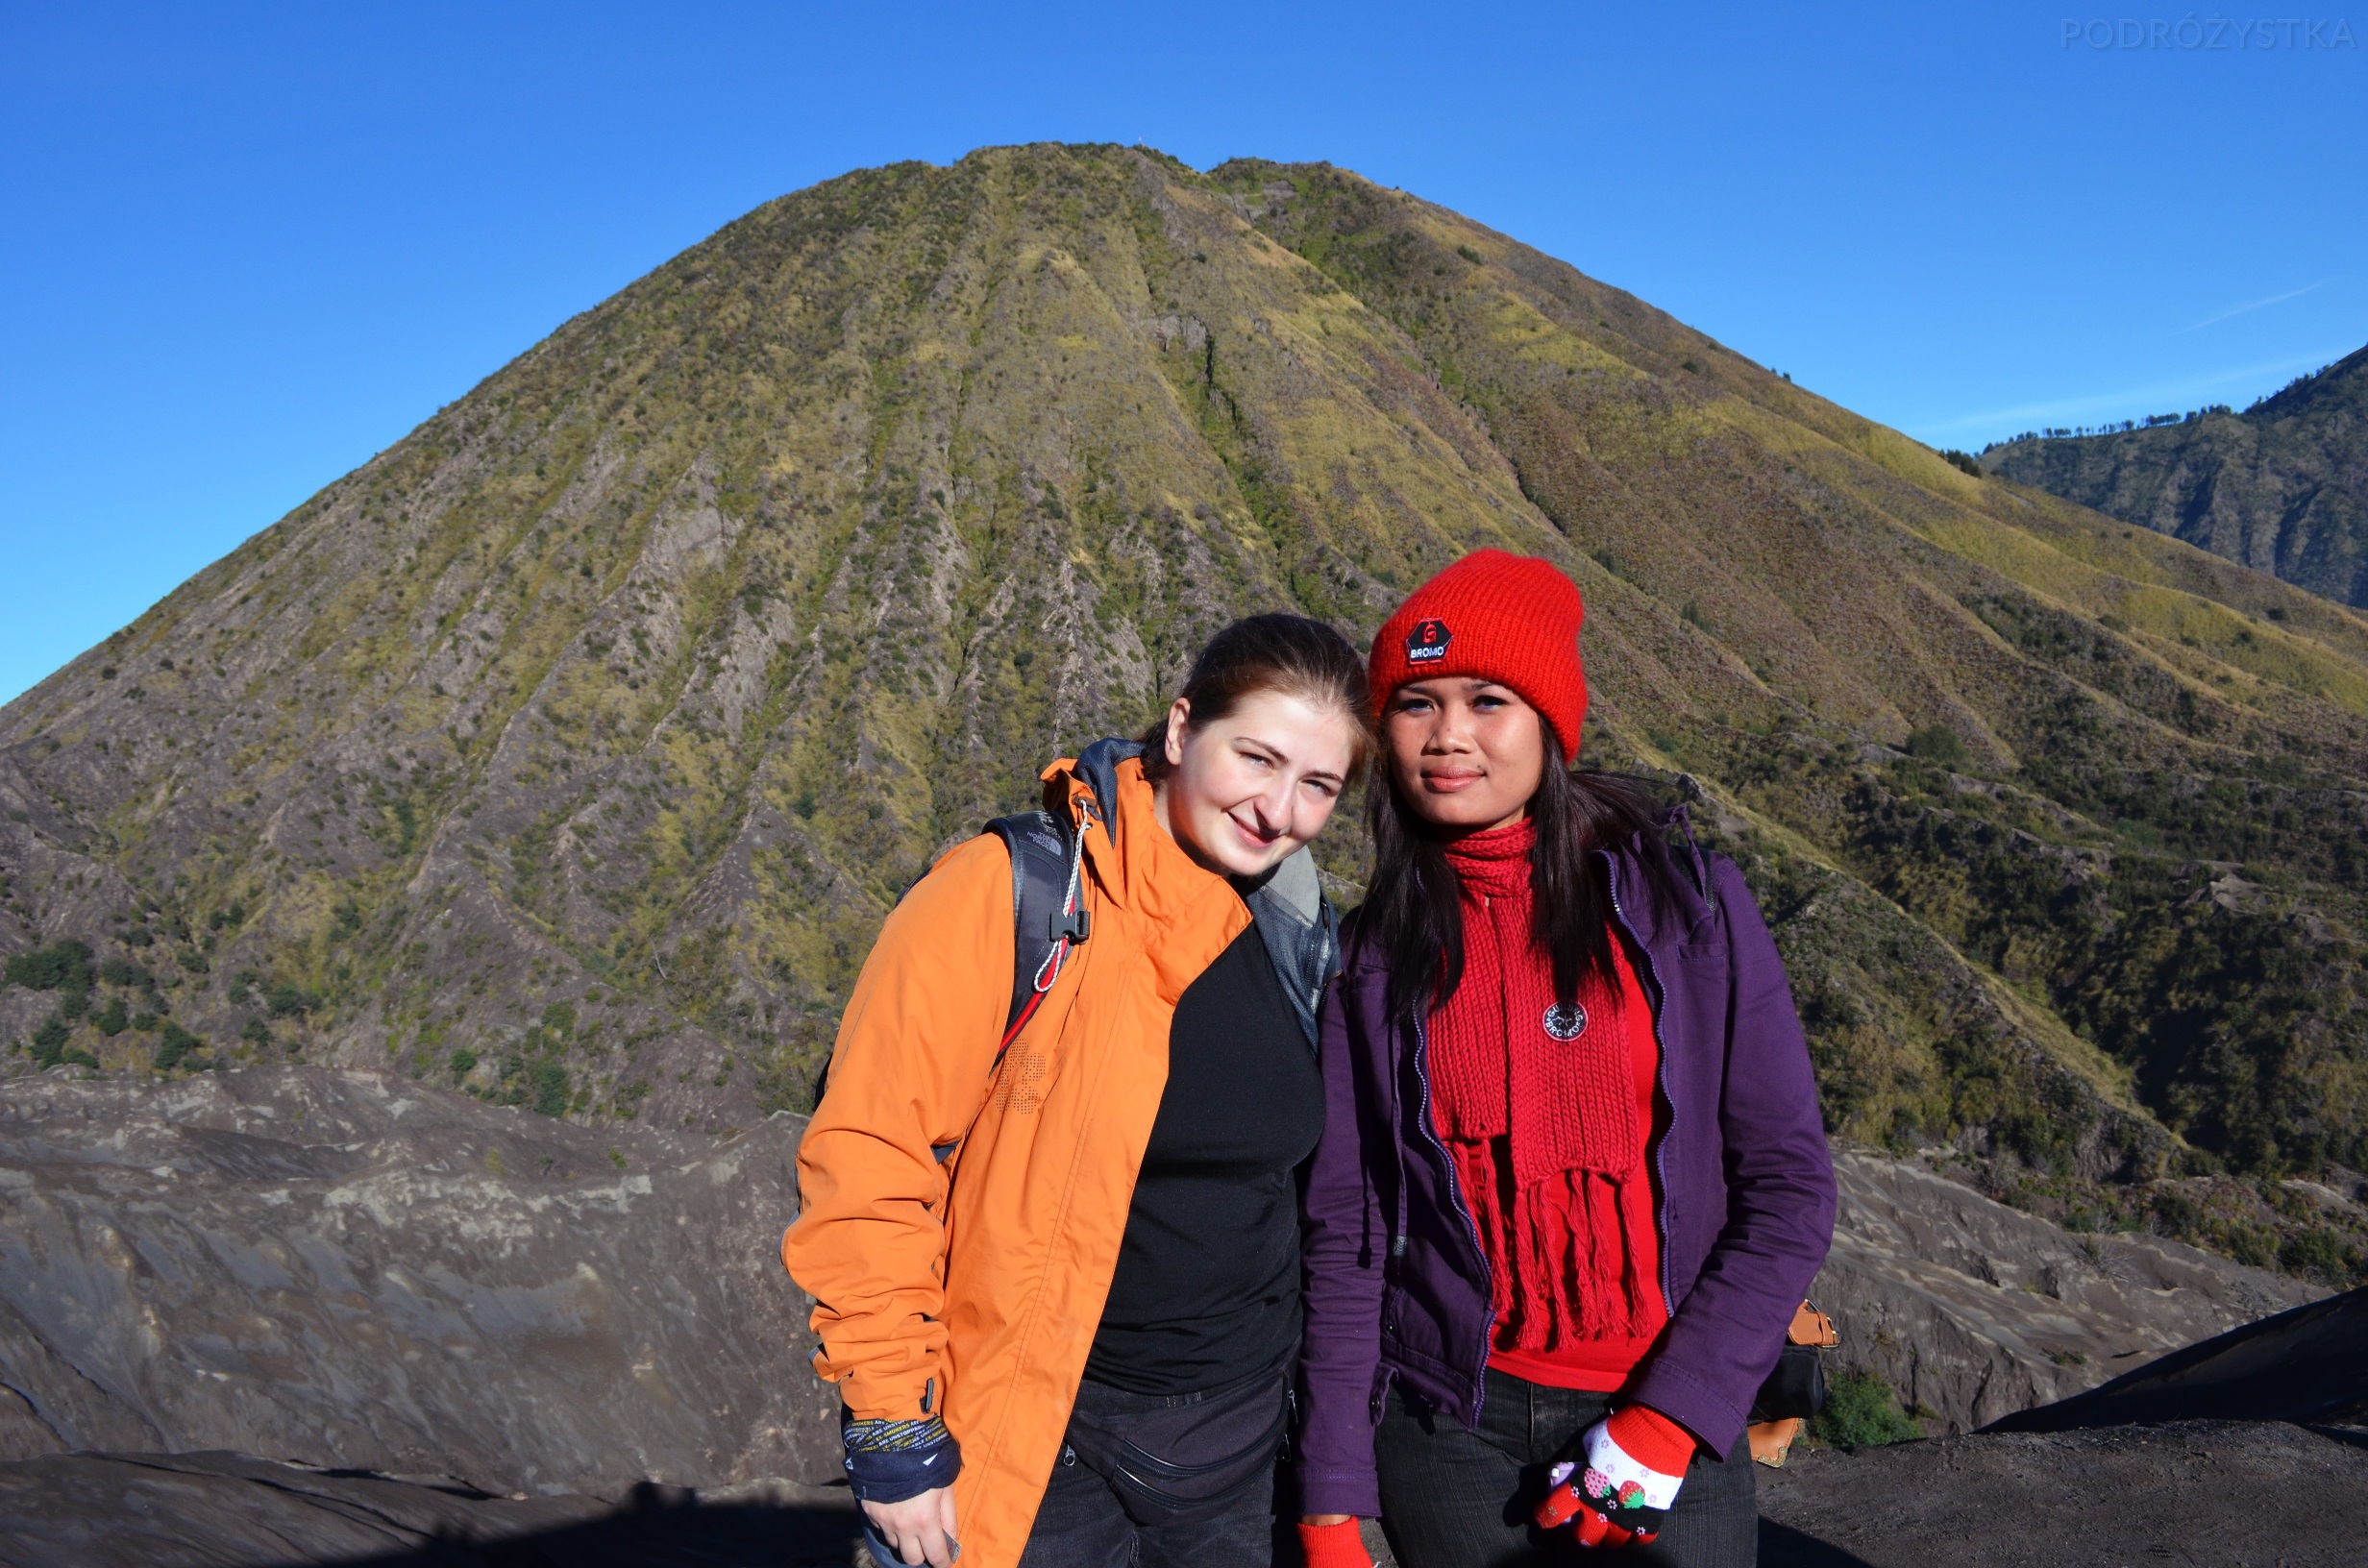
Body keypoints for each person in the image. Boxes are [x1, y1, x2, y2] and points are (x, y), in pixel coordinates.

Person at [782, 614, 1373, 1568]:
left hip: (1242, 1449)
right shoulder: (1012, 894)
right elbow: (872, 1158)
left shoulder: (1289, 921)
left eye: (1318, 786)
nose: (1278, 811)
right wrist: (892, 1424)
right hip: (1045, 1440)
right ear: (1180, 729)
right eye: (1256, 758)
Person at [1295, 551, 1836, 1568]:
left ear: (1550, 723)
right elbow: (1350, 1233)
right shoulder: (1372, 958)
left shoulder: (1687, 911)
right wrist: (1329, 1500)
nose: (1448, 735)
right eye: (1415, 704)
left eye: (1487, 700)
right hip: (1447, 1431)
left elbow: (1788, 1185)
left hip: (1665, 1413)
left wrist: (1667, 1422)